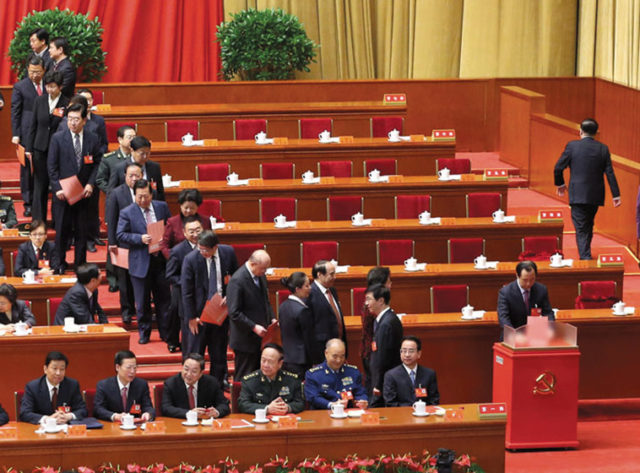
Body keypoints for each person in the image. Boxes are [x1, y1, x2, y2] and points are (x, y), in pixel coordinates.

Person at [554, 118, 621, 260]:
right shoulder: (603, 148)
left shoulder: (572, 146)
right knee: (588, 224)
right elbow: (609, 173)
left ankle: (585, 258)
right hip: (595, 195)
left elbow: (558, 168)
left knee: (581, 227)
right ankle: (586, 254)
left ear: (580, 131)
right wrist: (616, 195)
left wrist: (560, 184)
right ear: (596, 133)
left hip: (577, 194)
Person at [47, 102, 102, 272]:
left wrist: (91, 184)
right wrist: (57, 188)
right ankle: (59, 264)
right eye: (70, 119)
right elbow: (52, 166)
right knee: (62, 231)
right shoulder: (58, 138)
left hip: (83, 194)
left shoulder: (93, 138)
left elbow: (97, 164)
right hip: (63, 194)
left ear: (84, 120)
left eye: (76, 119)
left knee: (81, 232)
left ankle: (80, 265)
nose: (73, 123)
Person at [116, 179, 171, 344]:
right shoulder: (127, 212)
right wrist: (139, 238)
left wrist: (164, 238)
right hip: (140, 261)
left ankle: (165, 333)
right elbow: (120, 235)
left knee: (164, 301)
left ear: (151, 194)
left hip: (160, 260)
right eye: (139, 197)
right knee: (142, 302)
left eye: (145, 196)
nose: (142, 200)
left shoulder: (162, 207)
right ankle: (144, 333)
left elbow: (170, 226)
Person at [181, 230, 238, 384]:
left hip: (220, 313)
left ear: (215, 247)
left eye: (206, 250)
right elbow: (186, 292)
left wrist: (230, 294)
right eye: (200, 249)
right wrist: (191, 317)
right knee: (195, 355)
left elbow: (236, 278)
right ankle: (193, 388)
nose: (203, 252)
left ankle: (216, 388)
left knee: (219, 355)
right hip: (199, 316)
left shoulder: (228, 252)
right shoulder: (190, 259)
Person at [25, 70, 69, 222]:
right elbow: (33, 126)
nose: (49, 90)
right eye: (47, 86)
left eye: (53, 87)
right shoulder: (40, 101)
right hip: (40, 148)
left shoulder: (66, 102)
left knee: (57, 186)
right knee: (40, 185)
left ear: (60, 87)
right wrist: (29, 148)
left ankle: (59, 222)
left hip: (59, 150)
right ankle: (38, 221)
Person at [226, 249, 275, 380]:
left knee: (258, 376)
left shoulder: (260, 276)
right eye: (263, 268)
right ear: (253, 264)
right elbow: (234, 312)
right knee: (245, 376)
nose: (265, 272)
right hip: (245, 339)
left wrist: (272, 318)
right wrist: (253, 326)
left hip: (261, 338)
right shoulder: (237, 280)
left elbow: (266, 301)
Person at [106, 163, 142, 322]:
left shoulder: (147, 191)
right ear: (125, 176)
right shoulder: (117, 193)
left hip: (142, 241)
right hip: (122, 242)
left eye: (137, 176)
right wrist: (112, 242)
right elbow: (111, 219)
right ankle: (127, 310)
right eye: (131, 176)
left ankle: (141, 308)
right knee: (124, 279)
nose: (134, 179)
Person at [12, 54, 45, 217]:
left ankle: (41, 200)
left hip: (45, 131)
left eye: (38, 71)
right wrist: (16, 133)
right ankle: (28, 202)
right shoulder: (20, 86)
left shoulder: (49, 85)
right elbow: (15, 112)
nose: (35, 75)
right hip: (26, 133)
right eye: (32, 72)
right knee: (26, 169)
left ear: (43, 70)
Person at [165, 216, 202, 353]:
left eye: (198, 230)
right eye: (191, 231)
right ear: (185, 233)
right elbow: (170, 275)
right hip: (183, 293)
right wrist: (187, 283)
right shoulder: (177, 251)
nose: (195, 234)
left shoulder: (207, 248)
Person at [19, 351, 87, 425]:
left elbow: (82, 410)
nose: (58, 373)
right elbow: (24, 413)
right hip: (41, 431)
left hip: (65, 430)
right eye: (54, 368)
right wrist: (48, 419)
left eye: (62, 369)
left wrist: (68, 416)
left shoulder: (72, 385)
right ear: (45, 369)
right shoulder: (32, 387)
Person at [238, 343, 304, 415]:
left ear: (280, 364)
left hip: (284, 422)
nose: (265, 365)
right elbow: (243, 404)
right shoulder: (249, 381)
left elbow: (300, 403)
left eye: (270, 362)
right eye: (263, 360)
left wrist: (287, 407)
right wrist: (267, 409)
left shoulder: (292, 380)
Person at [304, 339, 368, 410]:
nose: (338, 360)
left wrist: (362, 401)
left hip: (347, 414)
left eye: (342, 356)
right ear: (326, 353)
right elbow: (313, 398)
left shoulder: (353, 372)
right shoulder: (313, 374)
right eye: (335, 356)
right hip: (323, 414)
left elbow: (360, 392)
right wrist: (332, 405)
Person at [161, 353, 230, 419]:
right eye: (186, 369)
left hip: (204, 426)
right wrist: (190, 413)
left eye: (194, 371)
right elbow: (166, 408)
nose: (188, 374)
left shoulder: (211, 383)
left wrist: (216, 412)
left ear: (201, 373)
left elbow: (224, 405)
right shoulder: (171, 383)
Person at [366, 283, 403, 407]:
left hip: (384, 383)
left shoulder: (386, 324)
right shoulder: (386, 319)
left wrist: (377, 384)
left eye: (369, 299)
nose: (366, 304)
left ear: (381, 301)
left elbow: (383, 358)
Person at [93, 350, 155, 422]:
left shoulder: (141, 385)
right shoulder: (104, 385)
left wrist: (148, 413)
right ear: (117, 367)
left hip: (135, 428)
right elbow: (98, 409)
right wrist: (115, 416)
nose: (132, 371)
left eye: (135, 368)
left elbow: (148, 407)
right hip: (113, 428)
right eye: (128, 367)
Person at [497, 261, 554, 332]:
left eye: (532, 279)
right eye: (525, 280)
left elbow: (548, 312)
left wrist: (550, 327)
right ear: (517, 275)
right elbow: (503, 318)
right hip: (514, 334)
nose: (528, 283)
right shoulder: (505, 292)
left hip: (535, 333)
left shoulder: (541, 289)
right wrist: (513, 333)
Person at [278, 271, 317, 376]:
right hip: (301, 361)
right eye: (307, 285)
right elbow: (308, 338)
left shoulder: (282, 306)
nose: (310, 288)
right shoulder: (302, 311)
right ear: (297, 289)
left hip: (287, 357)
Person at [307, 260, 346, 364]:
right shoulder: (310, 294)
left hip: (338, 346)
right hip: (321, 351)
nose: (335, 277)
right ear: (320, 275)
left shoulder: (332, 290)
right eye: (331, 274)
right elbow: (309, 326)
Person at [383, 336, 439, 407]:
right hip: (401, 416)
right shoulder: (391, 375)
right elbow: (390, 403)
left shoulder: (429, 374)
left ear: (419, 354)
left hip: (424, 415)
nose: (407, 355)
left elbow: (434, 400)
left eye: (411, 351)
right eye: (404, 351)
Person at [361, 266, 391, 392]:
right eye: (388, 281)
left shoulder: (373, 302)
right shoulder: (372, 306)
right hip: (372, 353)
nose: (391, 284)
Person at [109, 136, 165, 201]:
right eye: (142, 153)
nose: (145, 156)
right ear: (132, 150)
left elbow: (160, 193)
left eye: (147, 153)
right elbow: (111, 194)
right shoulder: (119, 168)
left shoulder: (154, 167)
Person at [161, 188, 211, 259]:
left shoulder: (205, 220)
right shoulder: (172, 222)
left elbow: (210, 241)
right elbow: (164, 245)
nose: (188, 211)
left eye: (192, 208)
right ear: (180, 206)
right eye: (186, 208)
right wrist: (172, 257)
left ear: (197, 207)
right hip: (180, 260)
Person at [96, 125, 136, 195]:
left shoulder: (136, 157)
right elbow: (100, 180)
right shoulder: (109, 159)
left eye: (134, 137)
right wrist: (112, 193)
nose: (133, 140)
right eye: (129, 137)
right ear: (120, 139)